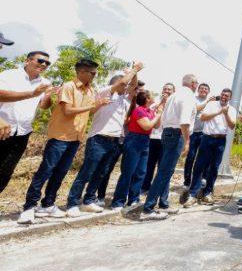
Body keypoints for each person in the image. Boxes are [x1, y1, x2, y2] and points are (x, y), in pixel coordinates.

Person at [19, 59, 105, 222]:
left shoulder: (90, 90)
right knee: (46, 171)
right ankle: (29, 206)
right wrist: (93, 104)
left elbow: (88, 112)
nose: (95, 76)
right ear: (82, 72)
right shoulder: (69, 87)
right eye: (93, 73)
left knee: (60, 172)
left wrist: (99, 105)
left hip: (76, 137)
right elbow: (67, 111)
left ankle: (48, 204)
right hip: (60, 136)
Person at [68, 65, 143, 216]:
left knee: (101, 174)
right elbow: (123, 83)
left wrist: (134, 74)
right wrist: (132, 71)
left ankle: (88, 201)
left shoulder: (122, 98)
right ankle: (72, 203)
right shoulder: (105, 92)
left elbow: (133, 84)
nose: (127, 89)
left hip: (114, 141)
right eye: (124, 86)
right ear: (116, 84)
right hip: (99, 139)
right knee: (87, 173)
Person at [140, 75, 197, 221]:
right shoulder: (188, 97)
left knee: (166, 170)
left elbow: (165, 117)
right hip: (177, 134)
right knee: (164, 171)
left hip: (167, 133)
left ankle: (163, 204)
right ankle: (148, 208)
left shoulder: (173, 96)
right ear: (194, 84)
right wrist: (187, 141)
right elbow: (184, 121)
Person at [0, 51, 56, 197]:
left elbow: (44, 106)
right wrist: (32, 93)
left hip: (22, 132)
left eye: (47, 63)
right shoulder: (9, 75)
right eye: (40, 61)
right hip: (2, 128)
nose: (44, 65)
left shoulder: (45, 82)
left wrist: (47, 97)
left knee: (5, 172)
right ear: (27, 61)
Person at [186, 88, 237, 207]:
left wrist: (226, 114)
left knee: (214, 167)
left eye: (227, 96)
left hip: (221, 140)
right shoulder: (212, 104)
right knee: (199, 166)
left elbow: (232, 125)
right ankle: (193, 194)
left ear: (230, 98)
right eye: (223, 94)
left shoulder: (232, 109)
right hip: (207, 138)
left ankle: (207, 193)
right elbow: (203, 117)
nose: (224, 97)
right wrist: (219, 113)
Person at [180, 82, 212, 204]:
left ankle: (201, 180)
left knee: (204, 159)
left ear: (209, 91)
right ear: (198, 90)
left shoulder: (212, 103)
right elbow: (195, 110)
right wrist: (206, 103)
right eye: (202, 88)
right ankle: (187, 182)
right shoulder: (194, 99)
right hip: (193, 133)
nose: (204, 90)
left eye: (206, 88)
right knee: (190, 157)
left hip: (205, 134)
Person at [142, 83, 175, 194]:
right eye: (165, 89)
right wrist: (161, 103)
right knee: (149, 164)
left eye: (169, 89)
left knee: (163, 165)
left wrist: (166, 104)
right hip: (152, 137)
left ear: (173, 92)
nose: (166, 91)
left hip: (166, 138)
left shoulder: (174, 105)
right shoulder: (154, 103)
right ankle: (145, 186)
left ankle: (159, 189)